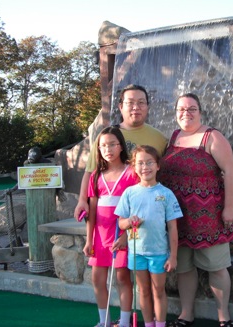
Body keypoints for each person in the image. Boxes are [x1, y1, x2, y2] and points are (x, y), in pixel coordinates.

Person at [159, 93, 233, 327]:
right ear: (176, 113)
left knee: (216, 267)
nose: (186, 113)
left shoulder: (212, 136)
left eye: (192, 108)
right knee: (183, 268)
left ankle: (224, 318)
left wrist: (229, 208)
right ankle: (186, 315)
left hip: (209, 216)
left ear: (200, 111)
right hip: (178, 218)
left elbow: (231, 172)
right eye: (181, 109)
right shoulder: (173, 137)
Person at [75, 84, 168, 220]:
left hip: (146, 213)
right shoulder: (106, 136)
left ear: (147, 106)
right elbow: (91, 171)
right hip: (108, 214)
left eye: (141, 102)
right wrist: (82, 200)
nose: (136, 107)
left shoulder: (159, 138)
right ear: (120, 107)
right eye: (130, 103)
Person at [115, 145, 183, 327]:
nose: (145, 167)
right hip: (137, 252)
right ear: (134, 167)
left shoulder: (166, 194)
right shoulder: (129, 193)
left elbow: (173, 228)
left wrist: (173, 256)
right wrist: (129, 221)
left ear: (158, 166)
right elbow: (121, 223)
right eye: (140, 163)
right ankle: (149, 324)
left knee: (159, 291)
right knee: (143, 291)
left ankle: (160, 324)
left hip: (159, 252)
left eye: (149, 162)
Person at [83, 126, 140, 327]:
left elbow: (138, 207)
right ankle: (104, 321)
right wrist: (89, 239)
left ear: (121, 146)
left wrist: (127, 235)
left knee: (122, 278)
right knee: (97, 279)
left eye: (112, 144)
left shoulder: (132, 172)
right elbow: (92, 209)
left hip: (121, 233)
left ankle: (124, 322)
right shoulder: (96, 175)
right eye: (103, 146)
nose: (108, 149)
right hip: (100, 235)